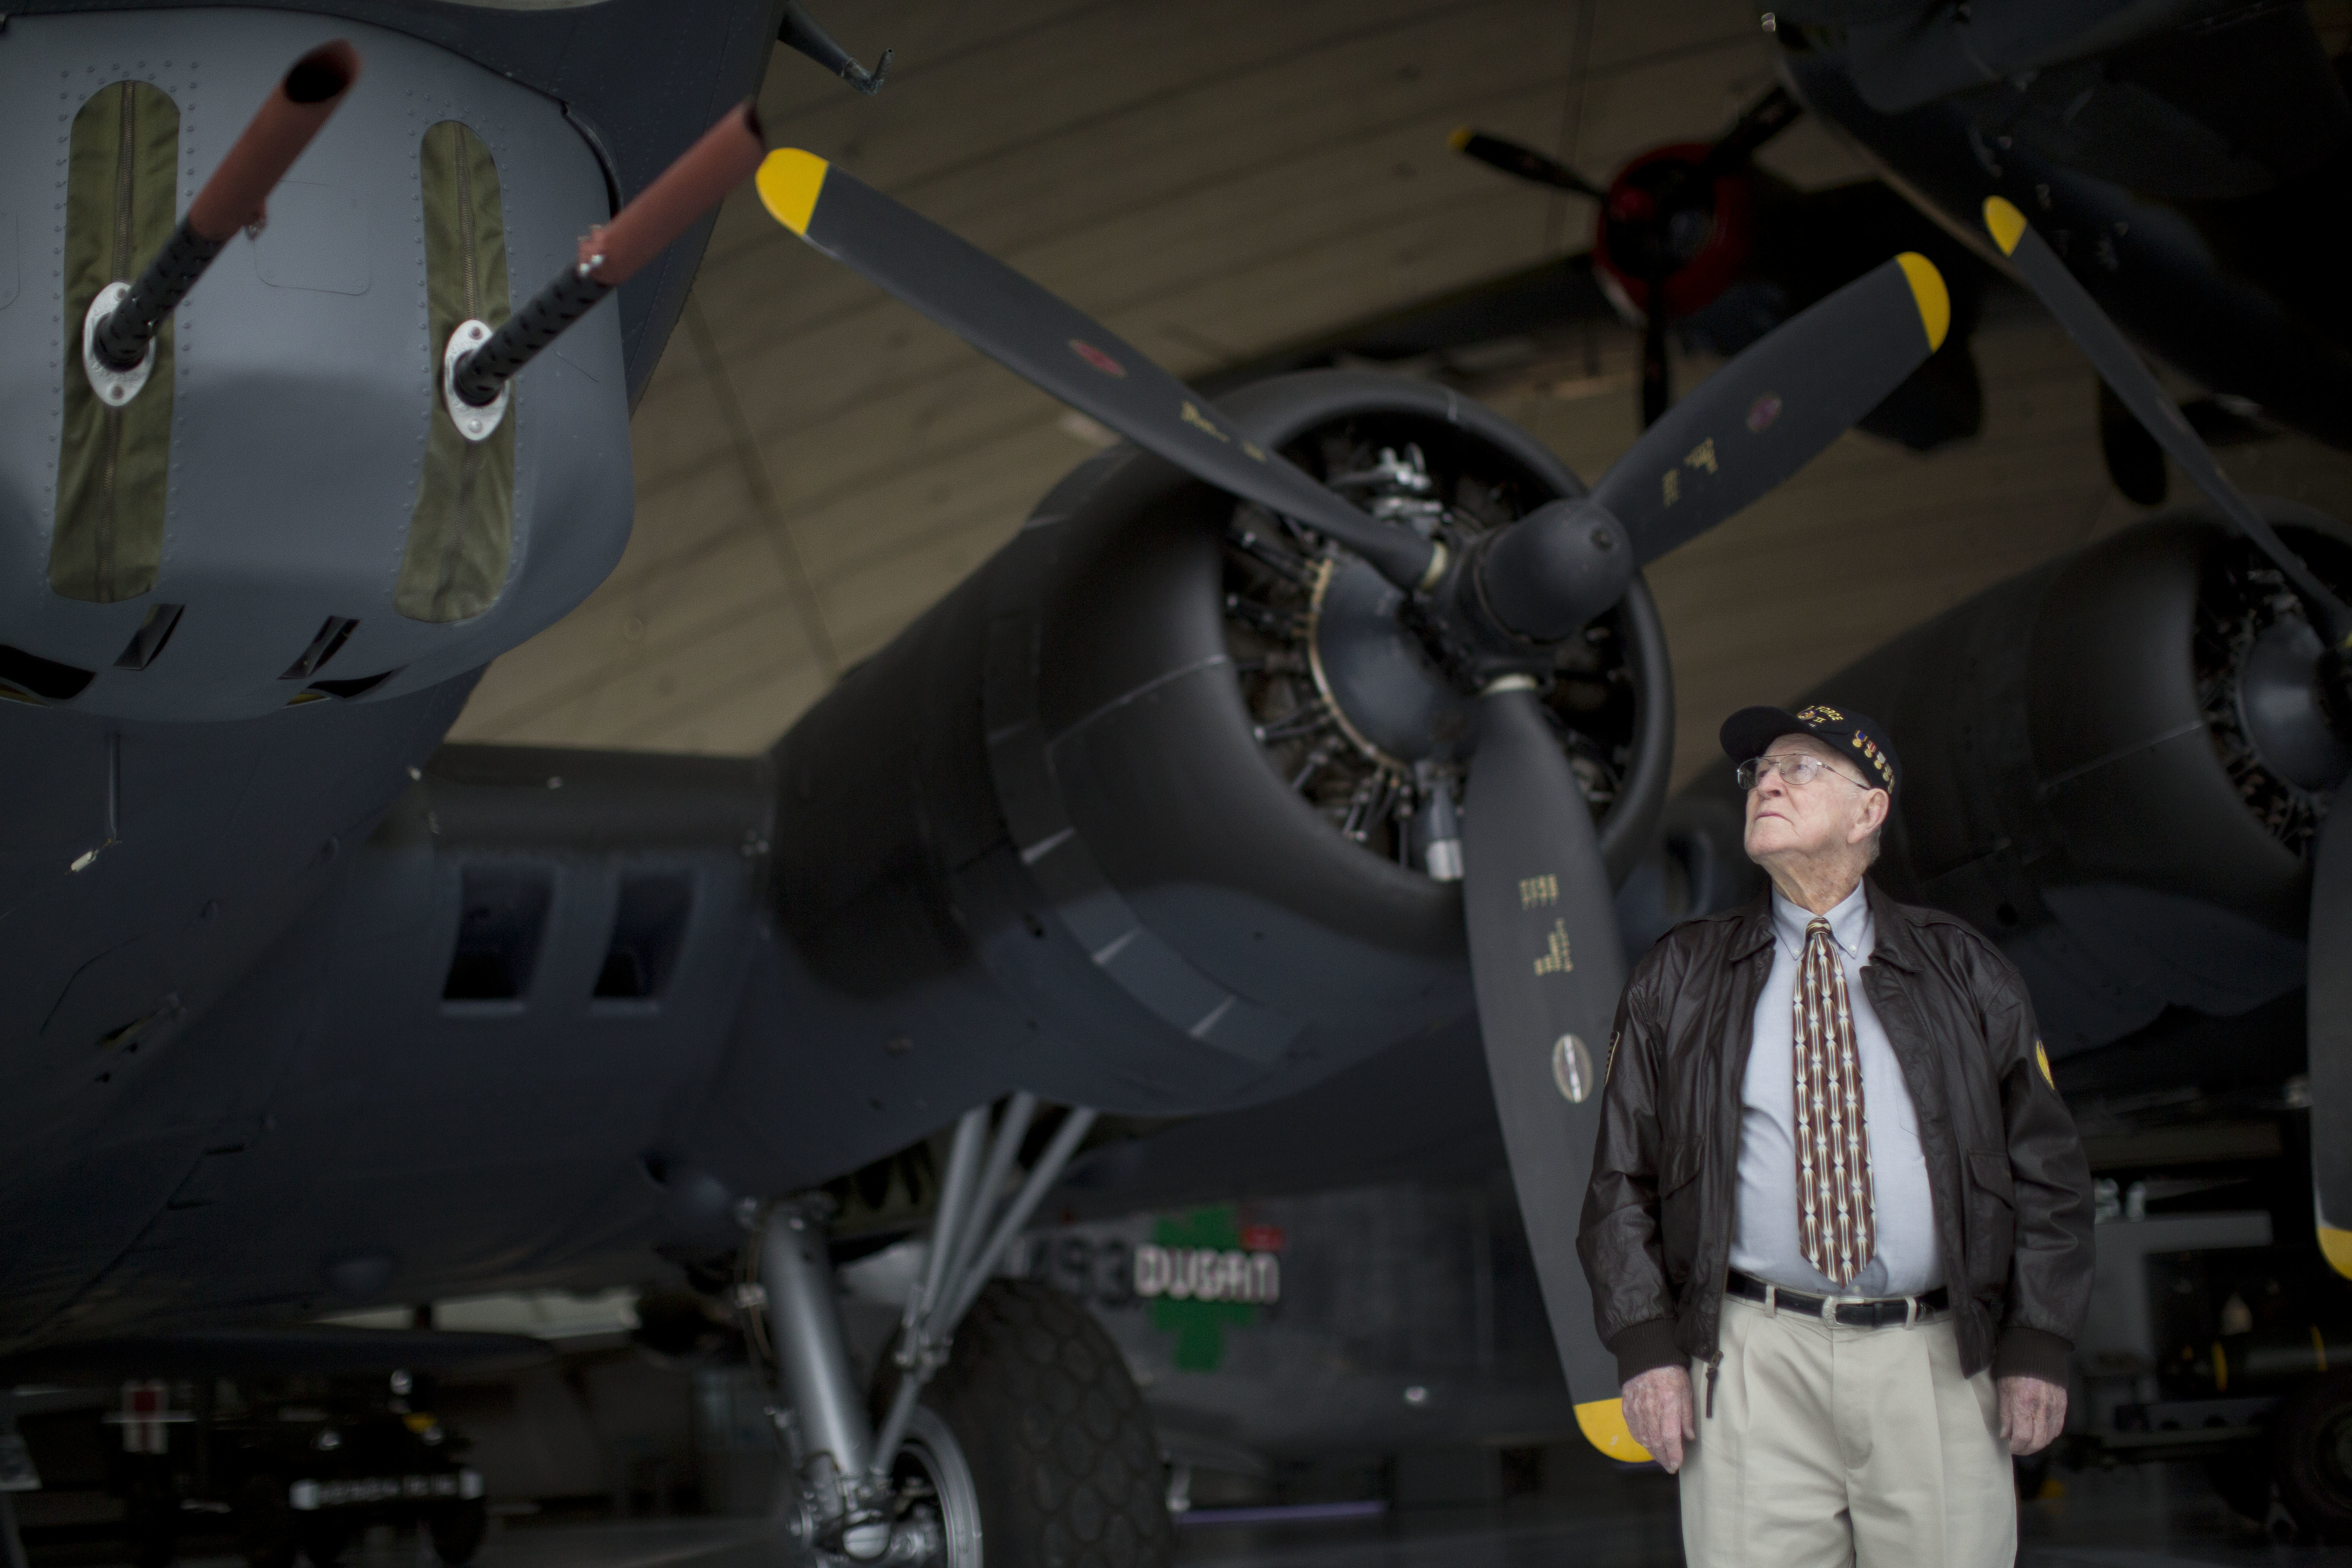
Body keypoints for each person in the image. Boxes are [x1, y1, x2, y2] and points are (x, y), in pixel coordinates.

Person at [1579, 702, 2094, 1566]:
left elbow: (2047, 1166)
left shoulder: (1966, 970)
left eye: (1804, 767)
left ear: (1871, 810)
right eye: (1760, 772)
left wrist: (2039, 1340)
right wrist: (1646, 1347)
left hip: (1936, 1356)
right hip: (1749, 1361)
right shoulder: (1678, 975)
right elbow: (1619, 1179)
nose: (1768, 782)